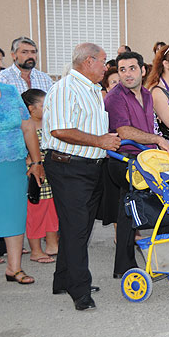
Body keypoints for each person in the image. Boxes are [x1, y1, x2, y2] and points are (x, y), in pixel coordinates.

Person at [43, 43, 121, 310]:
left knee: (78, 227)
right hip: (68, 167)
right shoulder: (65, 88)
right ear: (88, 61)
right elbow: (59, 130)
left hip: (89, 166)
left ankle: (64, 279)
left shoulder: (93, 89)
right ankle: (80, 290)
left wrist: (102, 142)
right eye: (103, 61)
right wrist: (100, 141)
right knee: (77, 228)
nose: (106, 67)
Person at [104, 51, 169, 278]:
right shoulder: (115, 97)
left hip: (145, 159)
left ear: (143, 70)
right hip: (123, 160)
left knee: (167, 199)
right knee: (131, 208)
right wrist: (157, 140)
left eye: (132, 68)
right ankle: (129, 265)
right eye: (122, 70)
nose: (127, 74)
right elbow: (124, 131)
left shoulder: (147, 94)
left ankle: (161, 259)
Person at [0, 82, 45, 284]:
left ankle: (14, 268)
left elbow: (27, 127)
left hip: (14, 163)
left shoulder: (9, 91)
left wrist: (36, 162)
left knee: (14, 216)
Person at [22, 89, 58, 263]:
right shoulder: (25, 127)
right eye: (44, 105)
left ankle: (52, 244)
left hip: (51, 176)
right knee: (36, 213)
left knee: (52, 211)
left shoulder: (49, 125)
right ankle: (35, 250)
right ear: (31, 108)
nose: (48, 108)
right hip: (36, 177)